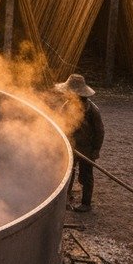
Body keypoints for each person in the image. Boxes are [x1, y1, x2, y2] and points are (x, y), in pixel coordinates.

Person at [56, 74, 103, 213]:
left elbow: (100, 132)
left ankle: (86, 203)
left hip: (87, 149)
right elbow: (61, 124)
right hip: (71, 146)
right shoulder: (66, 106)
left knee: (86, 175)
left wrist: (95, 150)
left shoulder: (92, 111)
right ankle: (65, 197)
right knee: (67, 173)